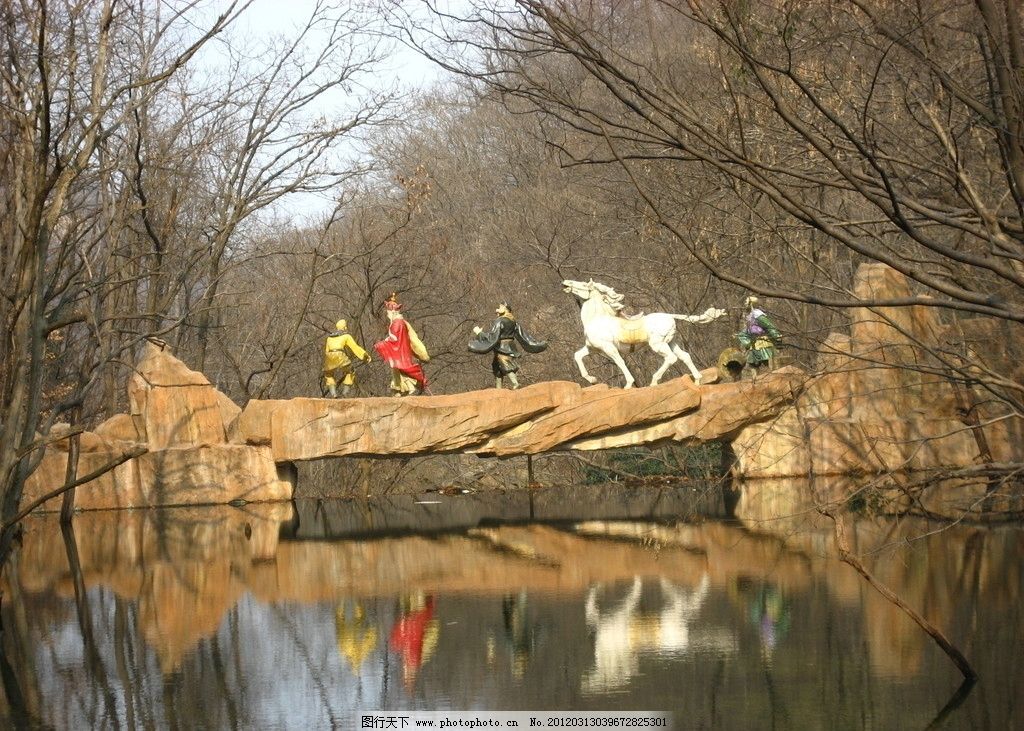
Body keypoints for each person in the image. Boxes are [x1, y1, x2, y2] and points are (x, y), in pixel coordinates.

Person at [468, 302, 547, 389]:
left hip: (502, 347)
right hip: (510, 345)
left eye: (500, 307)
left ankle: (515, 383)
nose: (498, 308)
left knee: (505, 363)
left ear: (505, 309)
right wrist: (535, 344)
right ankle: (499, 387)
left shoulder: (499, 321)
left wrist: (479, 333)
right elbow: (523, 336)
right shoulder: (513, 321)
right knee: (497, 366)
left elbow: (493, 336)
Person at [374, 293, 430, 396]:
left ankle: (406, 388)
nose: (388, 313)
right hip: (399, 351)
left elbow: (395, 338)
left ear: (393, 311)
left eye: (389, 311)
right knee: (398, 372)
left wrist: (382, 344)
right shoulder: (399, 322)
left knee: (399, 371)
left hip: (399, 352)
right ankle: (399, 390)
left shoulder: (397, 323)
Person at [322, 319, 371, 397]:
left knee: (328, 374)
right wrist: (364, 355)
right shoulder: (346, 336)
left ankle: (333, 393)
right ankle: (345, 392)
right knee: (351, 371)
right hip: (340, 355)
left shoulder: (329, 338)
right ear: (345, 327)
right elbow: (355, 347)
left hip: (330, 357)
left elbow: (326, 351)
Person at [736, 296, 782, 374]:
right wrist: (742, 335)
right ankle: (755, 382)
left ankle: (772, 378)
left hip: (763, 342)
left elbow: (769, 326)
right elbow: (750, 329)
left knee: (767, 362)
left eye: (746, 302)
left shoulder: (758, 315)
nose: (745, 304)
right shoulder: (750, 316)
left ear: (750, 304)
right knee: (752, 364)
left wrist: (776, 336)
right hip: (754, 344)